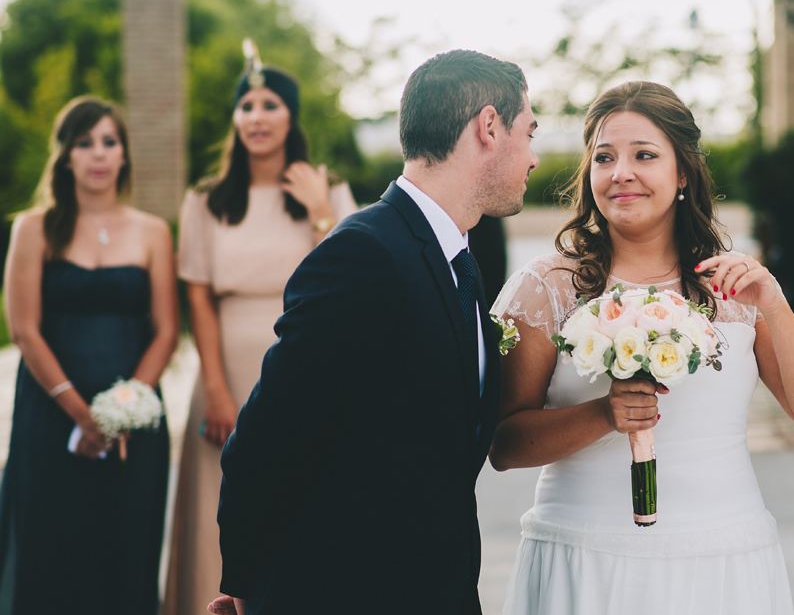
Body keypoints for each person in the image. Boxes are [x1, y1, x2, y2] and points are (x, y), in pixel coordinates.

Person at [488, 81, 794, 615]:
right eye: (603, 157)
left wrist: (774, 303)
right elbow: (503, 445)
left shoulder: (734, 286)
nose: (620, 172)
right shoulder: (546, 287)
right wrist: (604, 414)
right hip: (586, 558)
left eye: (644, 155)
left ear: (682, 174)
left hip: (721, 559)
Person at [208, 49, 539, 615]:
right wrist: (246, 581)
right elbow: (267, 435)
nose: (533, 157)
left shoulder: (460, 255)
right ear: (489, 127)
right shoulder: (366, 252)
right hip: (344, 590)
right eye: (529, 133)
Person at [163, 60, 357, 615]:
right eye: (246, 106)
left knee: (301, 502)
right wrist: (217, 388)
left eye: (270, 104)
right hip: (227, 373)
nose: (257, 116)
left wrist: (322, 212)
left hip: (305, 369)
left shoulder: (329, 188)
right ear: (235, 119)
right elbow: (197, 295)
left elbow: (350, 280)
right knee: (217, 507)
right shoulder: (206, 198)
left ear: (290, 114)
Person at [0, 96, 177, 614]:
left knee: (124, 548)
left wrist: (119, 414)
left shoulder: (152, 231)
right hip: (52, 415)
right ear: (66, 155)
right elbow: (25, 330)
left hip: (134, 419)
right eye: (85, 143)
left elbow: (166, 331)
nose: (98, 154)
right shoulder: (33, 228)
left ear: (123, 155)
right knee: (50, 547)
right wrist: (83, 416)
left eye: (109, 141)